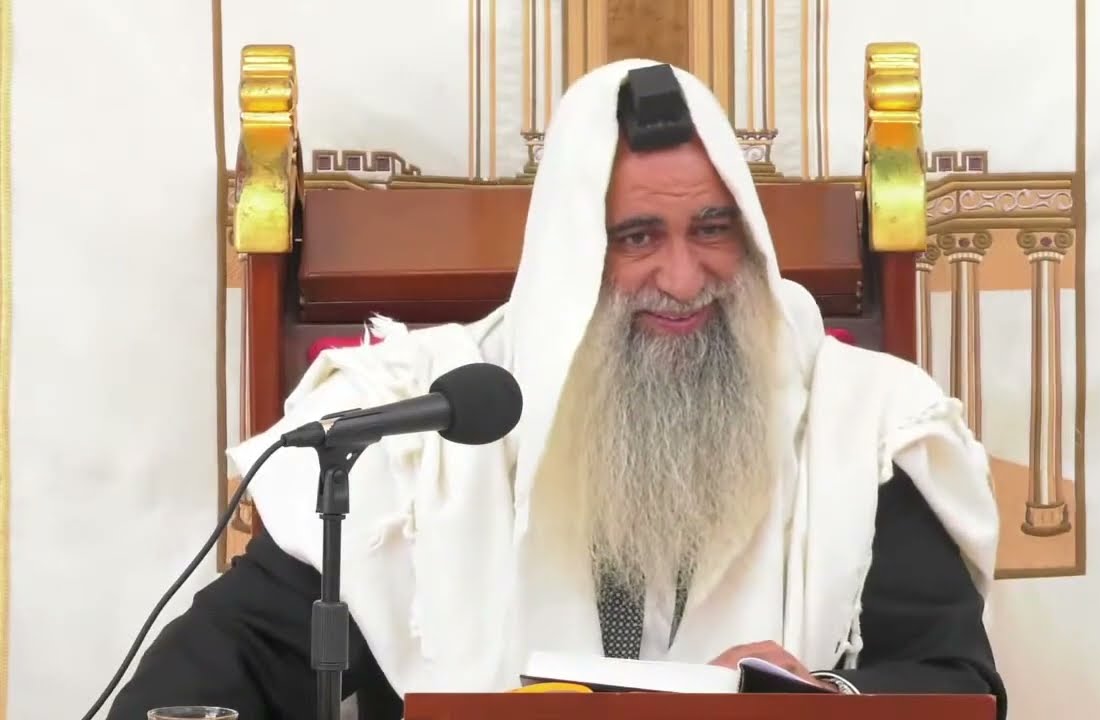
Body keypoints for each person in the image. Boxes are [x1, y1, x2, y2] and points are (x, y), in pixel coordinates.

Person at [106, 60, 1005, 720]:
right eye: (637, 237)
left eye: (712, 229)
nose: (683, 279)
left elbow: (953, 683)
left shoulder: (860, 422)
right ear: (572, 259)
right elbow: (214, 674)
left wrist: (819, 696)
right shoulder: (424, 426)